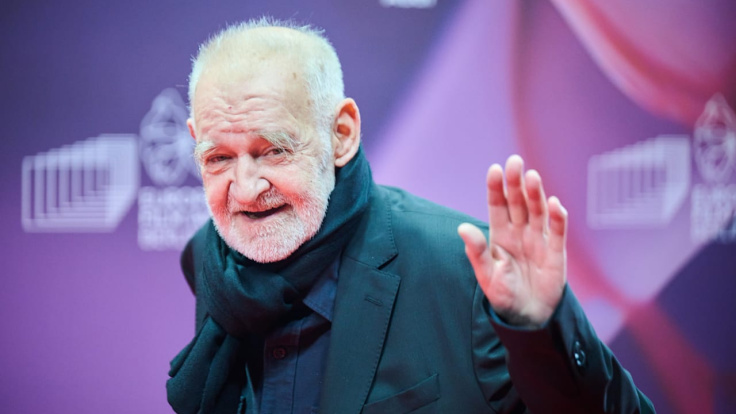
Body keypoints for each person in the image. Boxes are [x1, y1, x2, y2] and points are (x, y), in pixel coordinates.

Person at [166, 17, 655, 414]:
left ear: (341, 134)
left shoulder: (470, 276)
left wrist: (539, 331)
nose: (246, 190)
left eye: (273, 150)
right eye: (219, 158)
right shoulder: (212, 258)